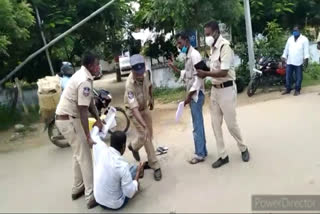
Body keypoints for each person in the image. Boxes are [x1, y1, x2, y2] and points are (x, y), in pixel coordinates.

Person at [196, 20, 250, 168]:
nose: (206, 37)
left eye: (207, 34)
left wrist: (205, 73)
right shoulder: (212, 49)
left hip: (226, 89)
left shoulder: (224, 47)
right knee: (215, 125)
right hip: (215, 90)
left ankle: (243, 148)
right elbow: (214, 69)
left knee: (231, 124)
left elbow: (224, 71)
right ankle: (223, 155)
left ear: (215, 32)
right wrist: (205, 69)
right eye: (205, 34)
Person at [55, 51, 103, 209]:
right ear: (90, 65)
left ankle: (77, 188)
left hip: (65, 118)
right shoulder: (84, 81)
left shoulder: (84, 76)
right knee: (85, 156)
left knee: (78, 154)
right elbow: (83, 110)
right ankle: (90, 195)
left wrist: (97, 118)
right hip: (69, 119)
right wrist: (88, 136)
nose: (99, 66)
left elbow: (90, 104)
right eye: (97, 64)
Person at [168, 32, 207, 164]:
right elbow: (187, 74)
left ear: (186, 40)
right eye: (177, 43)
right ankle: (203, 150)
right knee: (198, 123)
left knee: (197, 125)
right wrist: (174, 68)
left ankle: (200, 154)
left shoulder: (195, 55)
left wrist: (189, 96)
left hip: (196, 95)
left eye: (180, 43)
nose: (178, 46)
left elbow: (200, 77)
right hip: (193, 95)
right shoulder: (188, 55)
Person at [124, 54, 162, 181]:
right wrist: (144, 125)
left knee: (149, 135)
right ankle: (155, 164)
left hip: (144, 107)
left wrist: (151, 99)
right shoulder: (129, 85)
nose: (140, 75)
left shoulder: (145, 73)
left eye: (142, 71)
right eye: (137, 73)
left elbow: (149, 86)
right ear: (132, 70)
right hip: (133, 111)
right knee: (145, 136)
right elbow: (134, 109)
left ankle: (134, 146)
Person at [93, 131, 144, 210]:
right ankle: (137, 175)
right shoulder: (122, 166)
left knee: (122, 174)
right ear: (123, 146)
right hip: (115, 204)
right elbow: (130, 193)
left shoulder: (101, 149)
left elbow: (93, 135)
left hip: (99, 200)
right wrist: (137, 174)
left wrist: (98, 126)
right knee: (134, 170)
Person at [281, 26, 310, 96]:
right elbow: (286, 49)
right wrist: (283, 56)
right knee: (288, 76)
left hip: (299, 62)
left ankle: (297, 90)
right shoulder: (290, 39)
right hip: (290, 61)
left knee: (299, 77)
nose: (295, 32)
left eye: (296, 31)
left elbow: (306, 51)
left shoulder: (304, 39)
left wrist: (306, 60)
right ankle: (288, 89)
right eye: (294, 31)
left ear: (299, 31)